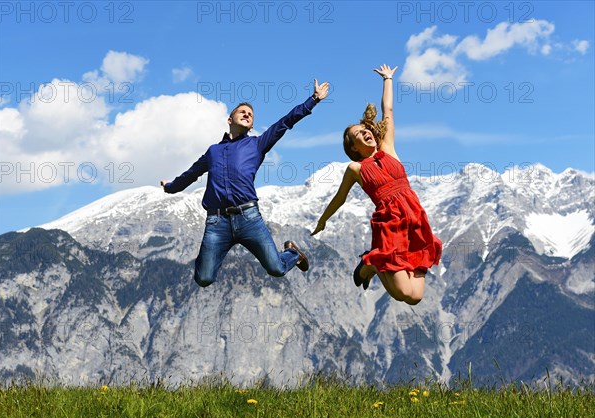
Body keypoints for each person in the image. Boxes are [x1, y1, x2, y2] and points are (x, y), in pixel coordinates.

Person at [162, 79, 330, 287]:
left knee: (277, 269)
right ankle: (208, 258)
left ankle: (293, 252)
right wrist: (170, 187)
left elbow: (285, 122)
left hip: (249, 218)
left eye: (250, 115)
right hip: (217, 223)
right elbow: (191, 174)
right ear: (229, 119)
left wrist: (313, 100)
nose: (247, 115)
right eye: (242, 112)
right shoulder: (213, 151)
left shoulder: (257, 144)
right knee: (204, 278)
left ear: (251, 125)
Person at [311, 65, 441, 305]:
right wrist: (323, 220)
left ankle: (371, 265)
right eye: (359, 134)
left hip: (414, 217)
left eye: (365, 129)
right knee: (402, 293)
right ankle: (370, 263)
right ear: (353, 148)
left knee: (416, 296)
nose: (366, 132)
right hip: (390, 223)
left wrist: (388, 79)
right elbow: (340, 198)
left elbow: (388, 110)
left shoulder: (388, 148)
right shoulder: (356, 169)